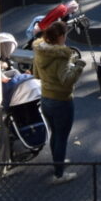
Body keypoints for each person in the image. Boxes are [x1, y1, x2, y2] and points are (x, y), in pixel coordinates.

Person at [32, 19, 86, 184]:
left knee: (55, 133)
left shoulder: (40, 51)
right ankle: (59, 174)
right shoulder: (62, 56)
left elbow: (36, 74)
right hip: (61, 100)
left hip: (46, 98)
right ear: (60, 36)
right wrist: (78, 66)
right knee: (62, 136)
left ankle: (58, 162)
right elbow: (67, 80)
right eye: (65, 35)